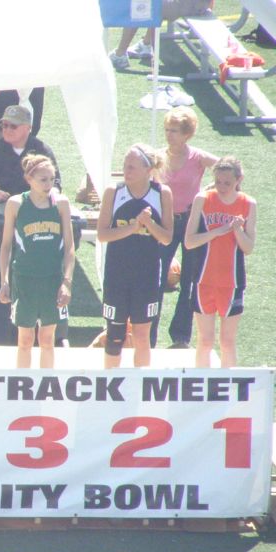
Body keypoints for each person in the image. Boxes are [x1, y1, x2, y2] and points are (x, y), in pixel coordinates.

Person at [97, 144, 173, 368]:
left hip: (146, 276)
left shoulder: (162, 194)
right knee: (115, 336)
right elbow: (102, 234)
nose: (125, 171)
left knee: (142, 335)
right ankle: (111, 385)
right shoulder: (114, 192)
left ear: (148, 169)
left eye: (131, 167)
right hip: (117, 275)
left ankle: (141, 389)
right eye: (124, 166)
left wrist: (148, 223)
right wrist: (133, 227)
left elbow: (167, 238)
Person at [0, 155, 75, 368]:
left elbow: (69, 248)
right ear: (28, 179)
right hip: (24, 280)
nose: (48, 184)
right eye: (43, 179)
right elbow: (6, 246)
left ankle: (46, 385)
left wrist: (67, 282)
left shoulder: (60, 203)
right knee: (24, 340)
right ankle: (23, 385)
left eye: (52, 179)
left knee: (48, 340)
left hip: (52, 279)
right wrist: (4, 281)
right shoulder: (16, 204)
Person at [151, 107, 218, 349]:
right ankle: (149, 333)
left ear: (187, 134)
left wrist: (207, 191)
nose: (169, 135)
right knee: (156, 277)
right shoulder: (158, 156)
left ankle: (181, 337)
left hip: (192, 220)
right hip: (165, 221)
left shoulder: (197, 157)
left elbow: (227, 168)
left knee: (189, 279)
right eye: (167, 130)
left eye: (175, 131)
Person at [184, 157, 256, 368]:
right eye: (218, 182)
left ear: (238, 180)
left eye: (227, 183)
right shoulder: (203, 199)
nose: (222, 187)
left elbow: (248, 248)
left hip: (232, 283)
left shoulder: (248, 204)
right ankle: (201, 388)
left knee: (227, 342)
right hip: (203, 279)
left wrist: (236, 230)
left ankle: (228, 391)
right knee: (205, 341)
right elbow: (189, 242)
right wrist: (217, 231)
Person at [109, 0, 213, 69]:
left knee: (138, 6)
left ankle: (120, 55)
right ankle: (146, 44)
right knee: (148, 5)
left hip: (189, 5)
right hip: (198, 5)